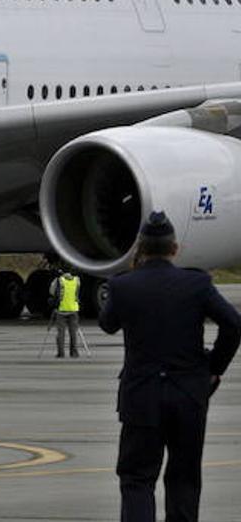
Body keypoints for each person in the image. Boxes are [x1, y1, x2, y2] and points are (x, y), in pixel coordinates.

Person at [99, 211, 241, 522]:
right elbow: (233, 325)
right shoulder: (196, 283)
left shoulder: (124, 286)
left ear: (141, 248)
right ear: (174, 249)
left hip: (141, 397)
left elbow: (107, 324)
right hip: (188, 395)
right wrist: (213, 368)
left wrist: (129, 274)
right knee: (184, 479)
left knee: (137, 479)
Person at [49, 268, 82, 358]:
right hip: (74, 309)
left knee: (61, 333)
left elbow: (51, 292)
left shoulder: (58, 280)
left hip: (61, 310)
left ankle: (61, 353)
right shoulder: (77, 280)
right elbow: (77, 294)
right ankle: (74, 353)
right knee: (73, 333)